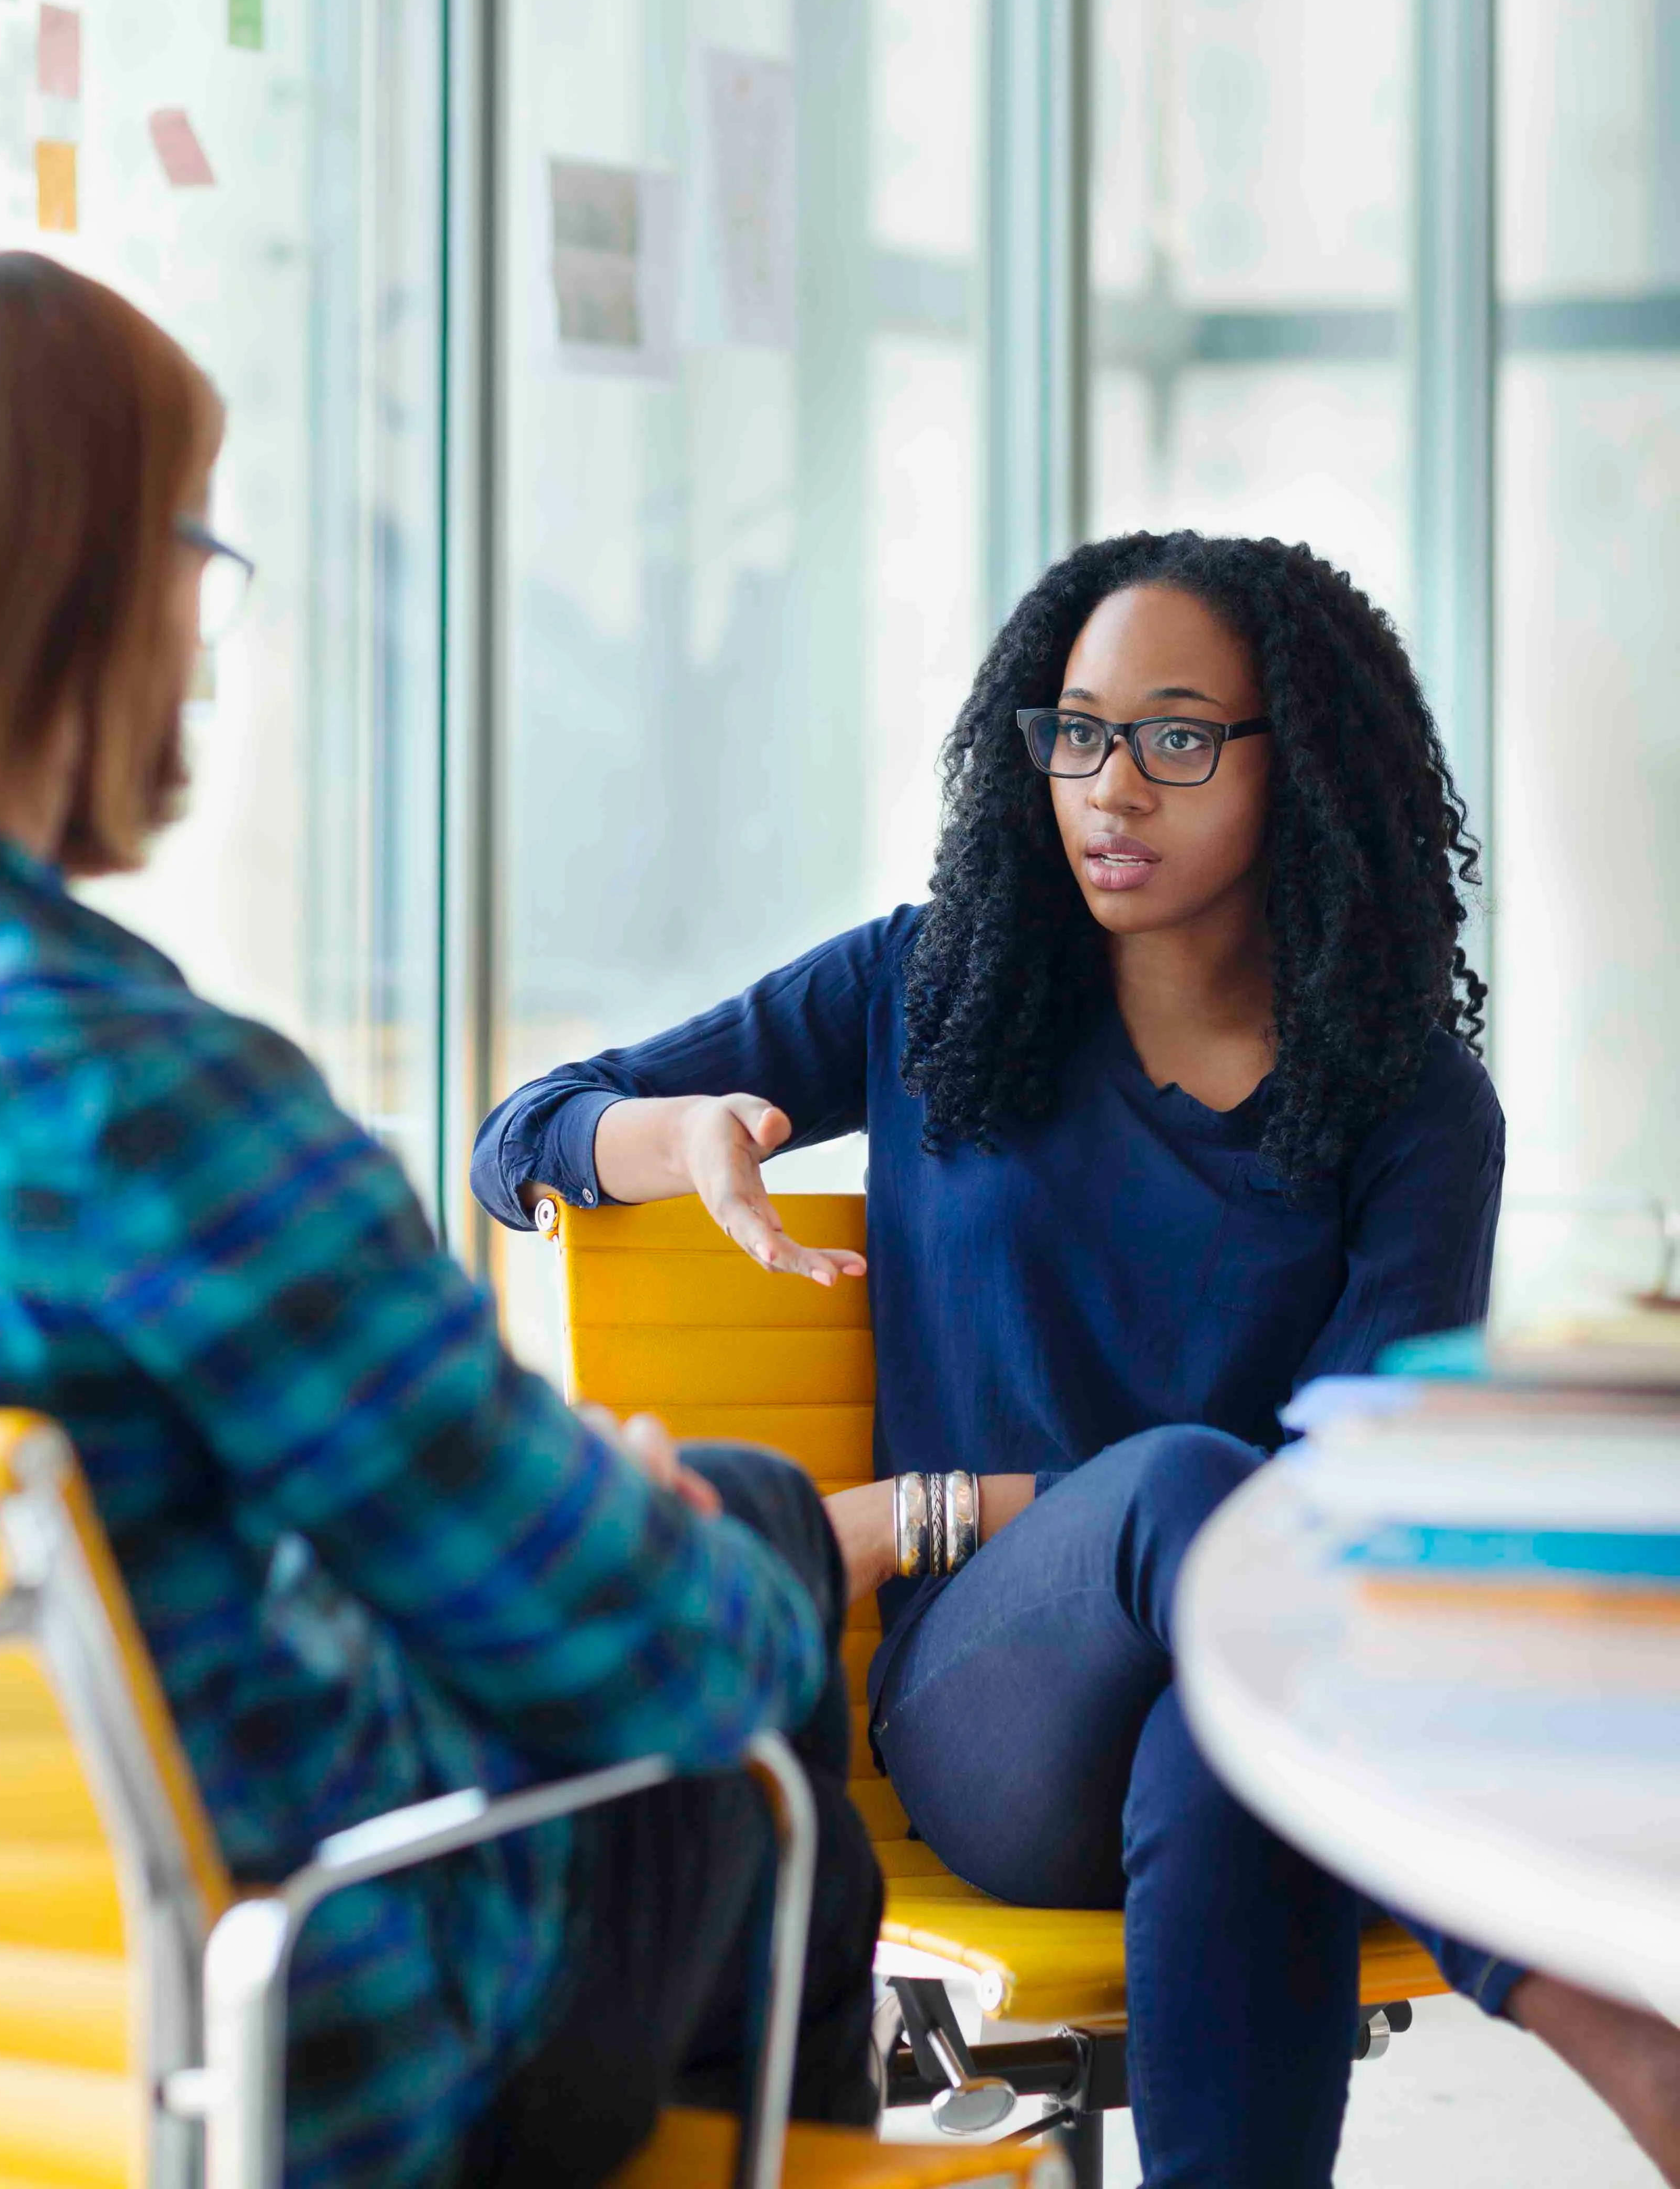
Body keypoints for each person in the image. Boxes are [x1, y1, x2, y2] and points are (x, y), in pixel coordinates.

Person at [0, 252, 881, 2189]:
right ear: (97, 591)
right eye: (193, 553)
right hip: (275, 2070)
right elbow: (660, 1669)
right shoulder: (142, 1095)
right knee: (752, 1566)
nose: (202, 627)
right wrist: (665, 1538)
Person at [475, 530, 1680, 2189]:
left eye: (1177, 739)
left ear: (1302, 771)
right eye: (1077, 730)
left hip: (1268, 1712)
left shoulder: (1414, 1105)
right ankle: (1576, 1992)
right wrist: (675, 1130)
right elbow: (523, 1136)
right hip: (994, 1721)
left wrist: (937, 1498)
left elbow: (1349, 1508)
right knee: (1201, 1493)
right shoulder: (930, 988)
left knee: (1227, 1703)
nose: (1111, 788)